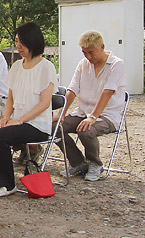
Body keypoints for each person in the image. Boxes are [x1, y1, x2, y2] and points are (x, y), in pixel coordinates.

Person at [0, 22, 57, 197]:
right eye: (16, 41)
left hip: (36, 125)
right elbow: (10, 96)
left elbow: (44, 103)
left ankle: (7, 183)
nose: (18, 46)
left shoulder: (46, 67)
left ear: (33, 42)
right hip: (17, 120)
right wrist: (6, 117)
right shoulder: (17, 66)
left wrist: (19, 120)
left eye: (22, 42)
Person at [54, 30, 127, 182]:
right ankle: (78, 162)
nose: (88, 57)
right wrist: (62, 114)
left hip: (107, 115)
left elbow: (107, 92)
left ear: (102, 47)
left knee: (86, 130)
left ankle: (95, 163)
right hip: (82, 113)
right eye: (84, 53)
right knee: (53, 127)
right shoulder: (83, 64)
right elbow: (72, 90)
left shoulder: (116, 64)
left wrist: (93, 117)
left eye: (91, 52)